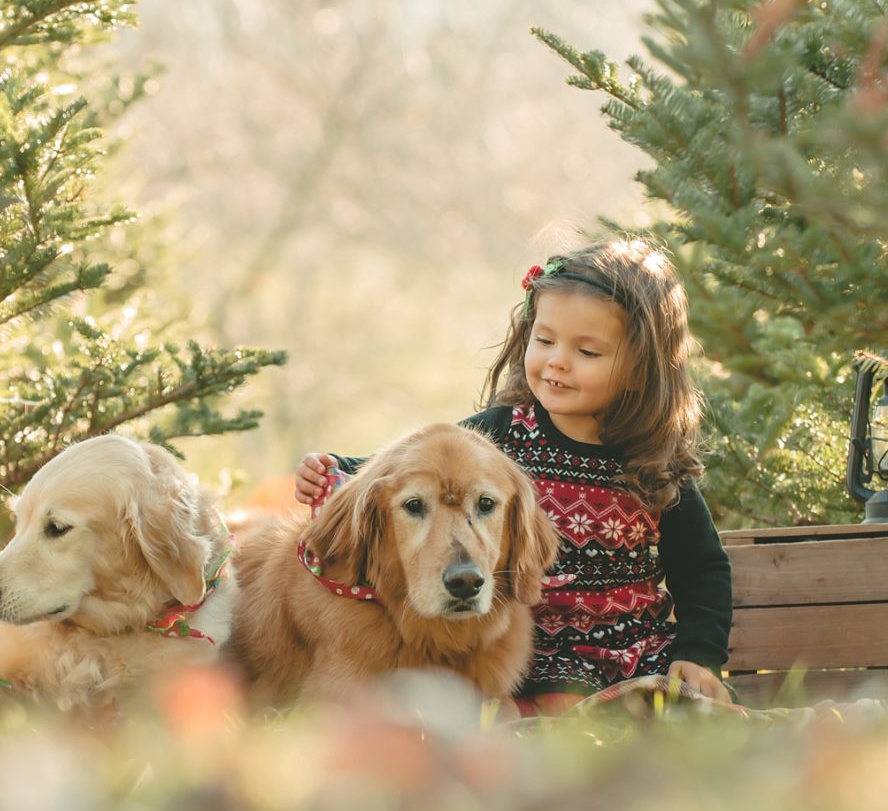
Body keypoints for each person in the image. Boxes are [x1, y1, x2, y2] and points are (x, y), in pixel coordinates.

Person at [295, 238, 735, 709]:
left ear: (639, 369)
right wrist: (340, 469)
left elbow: (702, 566)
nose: (557, 361)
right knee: (561, 708)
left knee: (697, 707)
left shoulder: (653, 463)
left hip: (638, 648)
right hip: (539, 651)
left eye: (587, 352)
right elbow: (413, 469)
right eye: (544, 341)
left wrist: (697, 653)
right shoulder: (500, 436)